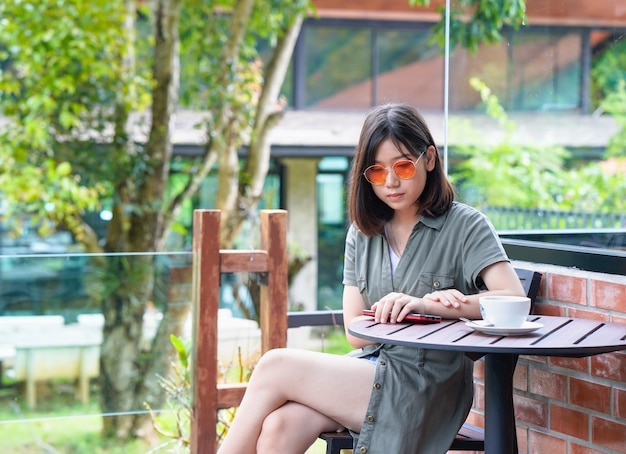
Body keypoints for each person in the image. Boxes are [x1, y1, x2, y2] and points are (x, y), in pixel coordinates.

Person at [217, 103, 525, 454]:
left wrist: (434, 306)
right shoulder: (362, 234)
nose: (391, 182)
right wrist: (407, 312)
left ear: (429, 158)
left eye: (403, 166)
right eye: (377, 173)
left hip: (428, 385)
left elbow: (511, 297)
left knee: (275, 365)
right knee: (279, 426)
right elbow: (354, 333)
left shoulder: (466, 225)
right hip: (370, 368)